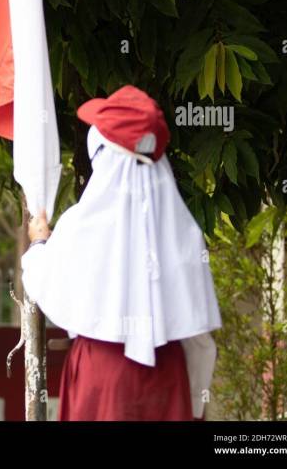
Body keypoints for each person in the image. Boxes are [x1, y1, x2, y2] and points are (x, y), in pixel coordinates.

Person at [22, 86, 221, 420]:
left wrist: (40, 243)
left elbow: (45, 287)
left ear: (103, 153)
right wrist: (195, 404)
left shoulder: (81, 226)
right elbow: (198, 338)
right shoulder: (184, 233)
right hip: (166, 377)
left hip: (100, 376)